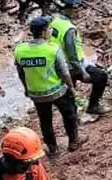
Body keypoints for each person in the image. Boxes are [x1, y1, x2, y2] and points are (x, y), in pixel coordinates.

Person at [15, 17, 79, 155]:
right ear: (44, 32)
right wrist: (71, 88)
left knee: (45, 120)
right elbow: (64, 73)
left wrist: (26, 89)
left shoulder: (20, 50)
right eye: (50, 28)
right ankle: (73, 141)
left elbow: (21, 73)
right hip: (57, 91)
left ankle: (52, 148)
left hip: (37, 94)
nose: (51, 30)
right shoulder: (53, 49)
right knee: (69, 114)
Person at [50, 0, 111, 116]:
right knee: (101, 77)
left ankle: (73, 115)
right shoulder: (69, 29)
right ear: (69, 10)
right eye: (76, 10)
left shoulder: (55, 21)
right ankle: (93, 106)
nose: (79, 12)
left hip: (59, 63)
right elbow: (72, 54)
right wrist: (83, 71)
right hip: (72, 66)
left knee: (70, 92)